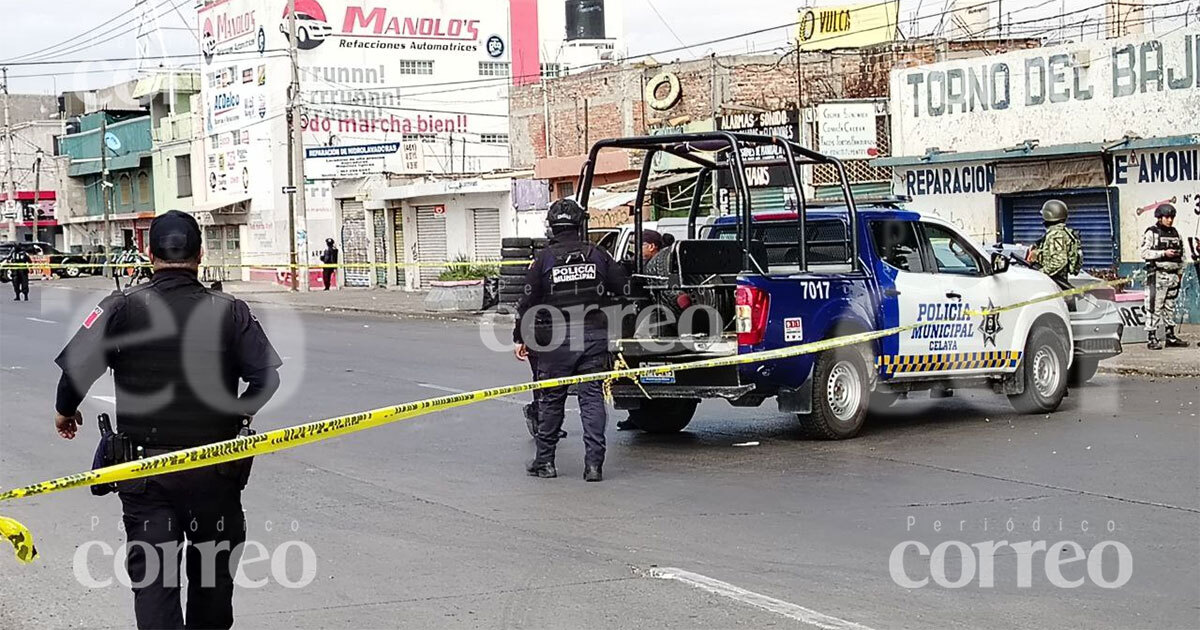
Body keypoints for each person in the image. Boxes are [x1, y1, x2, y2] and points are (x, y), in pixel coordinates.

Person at [53, 210, 282, 629]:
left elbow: (74, 374)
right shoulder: (229, 311)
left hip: (146, 474)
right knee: (212, 578)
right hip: (215, 468)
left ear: (147, 252)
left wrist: (65, 412)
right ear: (201, 253)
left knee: (155, 582)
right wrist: (237, 412)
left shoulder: (120, 309)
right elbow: (266, 379)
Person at [514, 199, 628, 482]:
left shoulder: (544, 259)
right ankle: (593, 466)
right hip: (592, 337)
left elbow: (527, 301)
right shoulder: (598, 254)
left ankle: (545, 463)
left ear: (552, 227)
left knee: (552, 399)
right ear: (580, 225)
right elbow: (623, 287)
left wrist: (520, 336)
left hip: (555, 342)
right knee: (592, 400)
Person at [1141, 203, 1189, 350]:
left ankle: (1170, 336)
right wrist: (1163, 253)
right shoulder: (1152, 233)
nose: (1170, 220)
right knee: (1154, 307)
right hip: (1157, 275)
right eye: (1167, 217)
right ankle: (1152, 337)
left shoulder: (1176, 233)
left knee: (1170, 307)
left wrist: (1180, 273)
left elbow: (1183, 255)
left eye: (1171, 217)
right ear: (1159, 217)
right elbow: (1144, 253)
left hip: (1173, 276)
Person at [1030, 199, 1082, 288]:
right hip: (1053, 281)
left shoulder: (1057, 235)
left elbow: (1059, 261)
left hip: (1054, 282)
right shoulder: (1058, 232)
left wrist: (1041, 273)